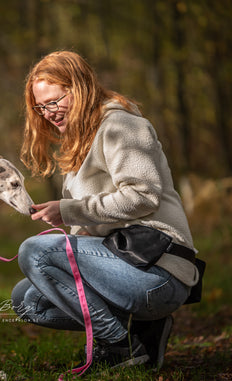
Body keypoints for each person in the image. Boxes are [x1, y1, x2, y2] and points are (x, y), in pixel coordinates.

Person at [11, 50, 200, 371]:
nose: (49, 113)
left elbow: (142, 196)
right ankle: (143, 332)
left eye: (55, 101)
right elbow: (95, 223)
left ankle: (118, 346)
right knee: (28, 300)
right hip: (124, 266)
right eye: (41, 107)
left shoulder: (120, 125)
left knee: (35, 251)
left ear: (79, 88)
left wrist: (68, 211)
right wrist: (75, 228)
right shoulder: (80, 141)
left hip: (158, 271)